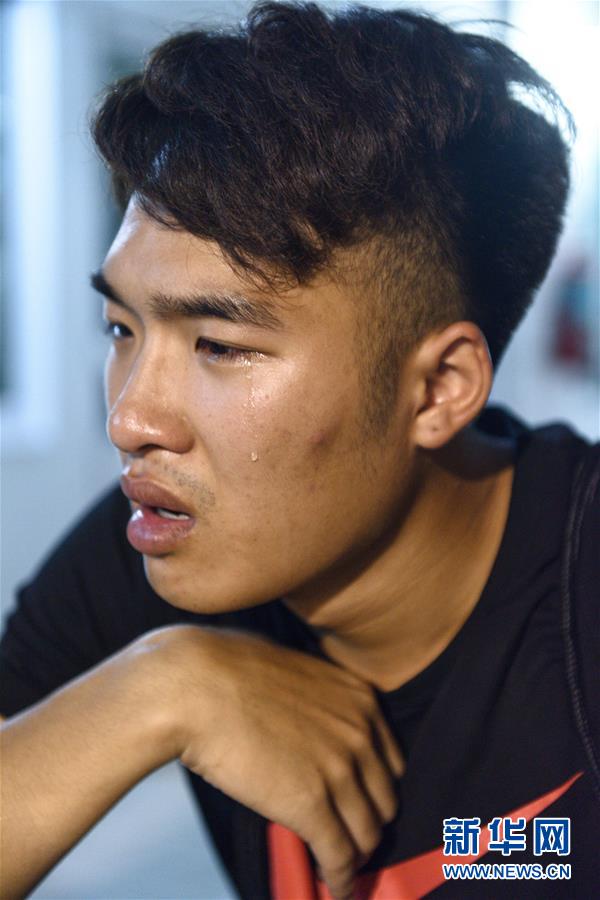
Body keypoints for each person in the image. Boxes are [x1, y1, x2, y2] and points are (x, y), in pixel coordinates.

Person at [1, 2, 598, 898]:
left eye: (218, 345)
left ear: (439, 388)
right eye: (122, 328)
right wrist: (161, 691)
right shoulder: (161, 536)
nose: (130, 420)